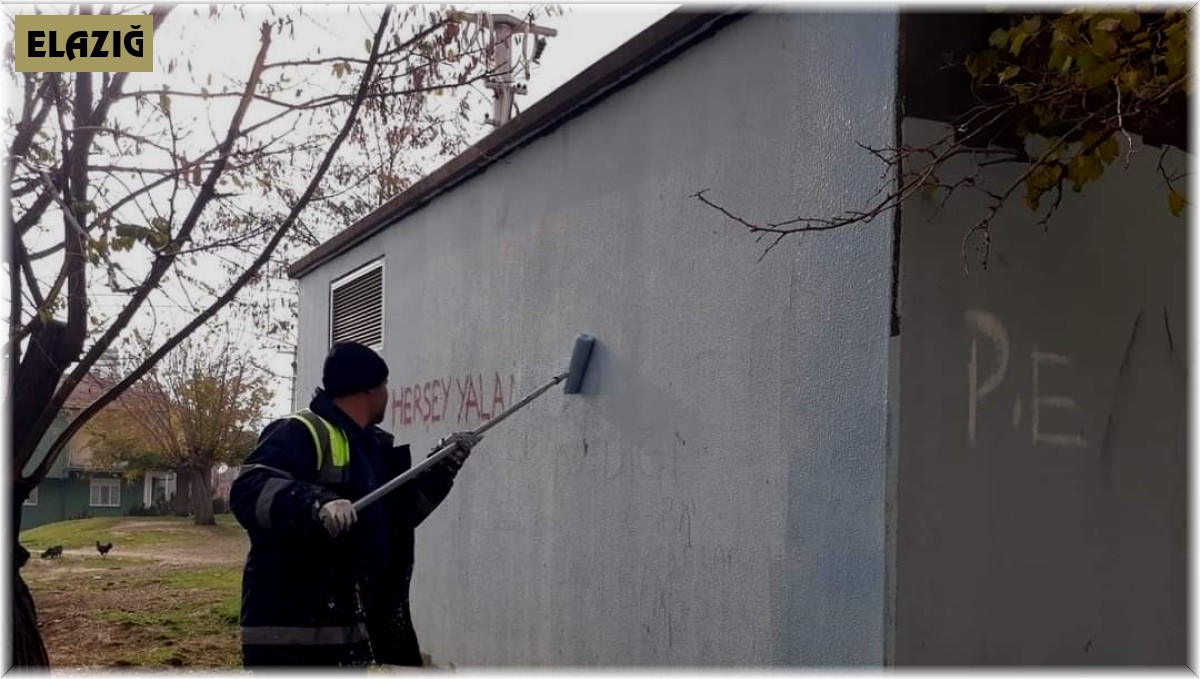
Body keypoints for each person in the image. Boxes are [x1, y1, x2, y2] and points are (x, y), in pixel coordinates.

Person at [230, 341, 480, 668]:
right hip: (293, 635)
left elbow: (398, 516)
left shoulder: (370, 447)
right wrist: (317, 503)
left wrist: (442, 466)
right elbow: (249, 489)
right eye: (385, 386)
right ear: (368, 390)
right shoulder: (301, 431)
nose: (387, 394)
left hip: (343, 634)